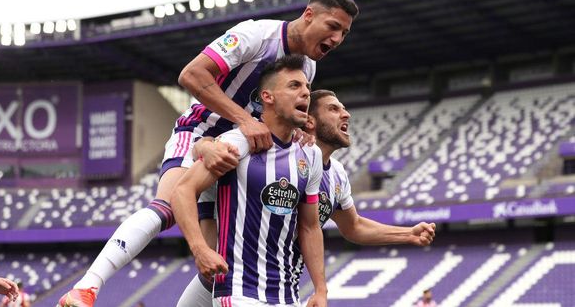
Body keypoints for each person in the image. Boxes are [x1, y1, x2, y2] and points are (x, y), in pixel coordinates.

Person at [58, 0, 358, 307]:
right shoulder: (255, 35)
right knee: (168, 208)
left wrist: (302, 131)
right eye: (333, 26)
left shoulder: (307, 67)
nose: (338, 39)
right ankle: (87, 286)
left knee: (219, 265)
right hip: (201, 133)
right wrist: (243, 119)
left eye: (344, 33)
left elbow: (284, 118)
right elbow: (192, 74)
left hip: (238, 155)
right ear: (309, 15)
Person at [176, 89, 437, 307]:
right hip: (229, 279)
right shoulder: (270, 149)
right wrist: (205, 145)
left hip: (279, 290)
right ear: (309, 121)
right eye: (334, 109)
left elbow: (353, 226)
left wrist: (407, 234)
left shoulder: (337, 175)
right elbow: (214, 154)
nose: (345, 114)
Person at [172, 55, 326, 307]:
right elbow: (183, 190)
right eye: (294, 86)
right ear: (267, 97)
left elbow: (310, 227)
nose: (306, 93)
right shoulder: (238, 142)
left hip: (287, 296)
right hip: (239, 291)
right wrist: (200, 249)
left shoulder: (310, 153)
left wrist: (321, 289)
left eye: (307, 87)